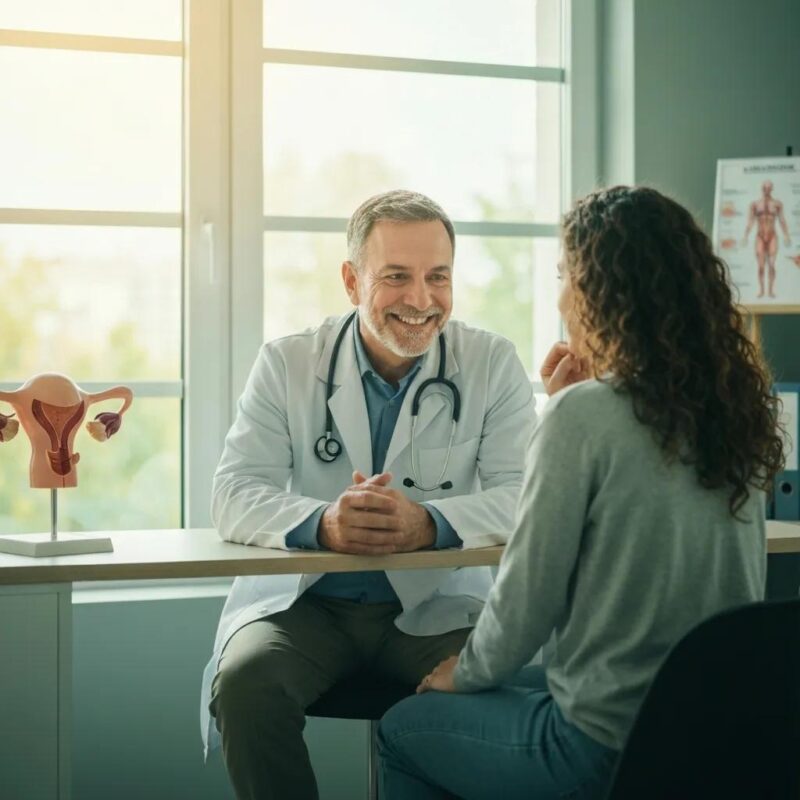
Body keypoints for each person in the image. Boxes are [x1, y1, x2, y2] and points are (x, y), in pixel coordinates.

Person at [378, 185, 785, 800]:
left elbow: (525, 603)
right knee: (520, 688)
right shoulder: (737, 412)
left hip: (605, 746)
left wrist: (464, 674)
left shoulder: (583, 417)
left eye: (567, 274)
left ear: (603, 293)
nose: (561, 295)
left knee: (403, 728)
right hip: (716, 733)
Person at [200, 189, 536, 799]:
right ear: (352, 279)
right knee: (247, 685)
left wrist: (428, 524)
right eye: (396, 277)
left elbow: (524, 497)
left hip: (434, 604)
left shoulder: (491, 362)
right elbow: (233, 491)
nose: (421, 299)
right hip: (307, 606)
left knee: (494, 687)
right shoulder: (288, 362)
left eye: (438, 277)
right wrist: (322, 525)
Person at [742, 179, 792, 298]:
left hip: (772, 236)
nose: (766, 190)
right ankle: (761, 290)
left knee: (771, 265)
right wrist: (745, 236)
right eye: (764, 188)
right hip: (760, 236)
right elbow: (750, 221)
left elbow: (782, 220)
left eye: (768, 188)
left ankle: (770, 290)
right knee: (761, 266)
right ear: (762, 189)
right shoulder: (755, 204)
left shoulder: (777, 204)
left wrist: (786, 235)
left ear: (771, 189)